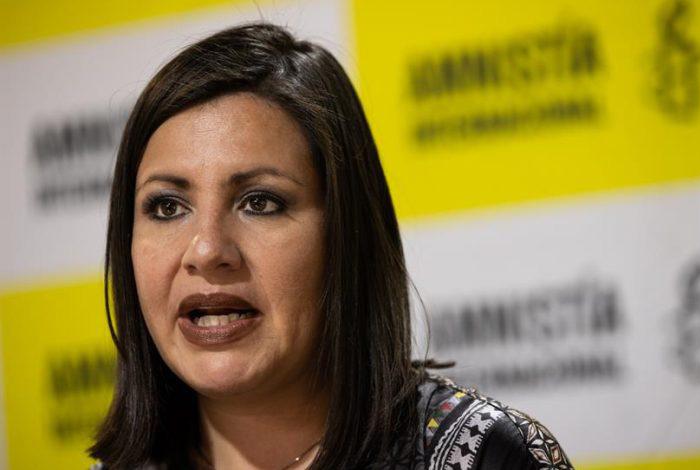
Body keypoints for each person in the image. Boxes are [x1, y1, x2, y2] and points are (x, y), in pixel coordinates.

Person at [89, 22, 574, 470]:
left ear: (344, 233)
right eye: (167, 207)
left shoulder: (489, 456)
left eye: (260, 202)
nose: (206, 250)